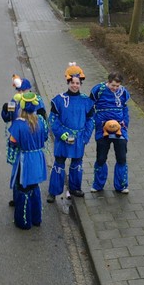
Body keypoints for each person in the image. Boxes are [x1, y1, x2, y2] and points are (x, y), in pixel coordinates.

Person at [46, 64, 94, 202]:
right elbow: (53, 119)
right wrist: (62, 134)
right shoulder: (59, 100)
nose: (75, 85)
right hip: (63, 139)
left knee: (77, 164)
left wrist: (85, 137)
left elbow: (91, 120)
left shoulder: (86, 101)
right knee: (59, 164)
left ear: (80, 84)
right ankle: (53, 191)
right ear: (68, 82)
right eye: (72, 83)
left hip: (79, 138)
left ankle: (74, 188)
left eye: (77, 83)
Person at [8, 91, 48, 229]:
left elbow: (13, 142)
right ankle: (37, 218)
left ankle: (24, 221)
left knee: (23, 188)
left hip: (25, 160)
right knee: (34, 186)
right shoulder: (41, 121)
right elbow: (45, 137)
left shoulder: (18, 124)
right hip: (38, 158)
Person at [89, 71, 130, 193]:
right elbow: (90, 107)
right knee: (101, 158)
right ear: (108, 81)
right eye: (113, 85)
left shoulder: (123, 92)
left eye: (117, 86)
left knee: (121, 158)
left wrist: (125, 124)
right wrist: (98, 122)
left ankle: (121, 186)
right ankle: (98, 185)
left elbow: (125, 109)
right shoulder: (98, 90)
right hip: (102, 129)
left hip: (120, 129)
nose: (115, 88)